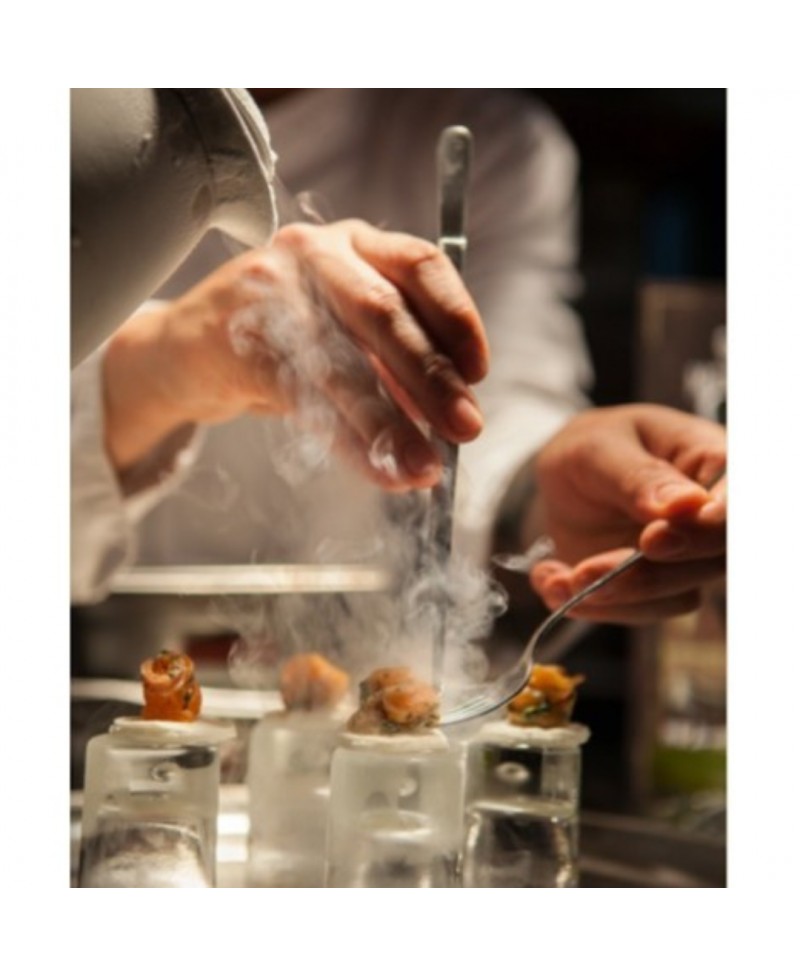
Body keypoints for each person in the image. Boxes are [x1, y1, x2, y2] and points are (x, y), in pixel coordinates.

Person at [71, 89, 725, 627]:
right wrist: (163, 362)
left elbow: (499, 405)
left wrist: (543, 491)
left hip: (364, 668)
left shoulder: (489, 134)